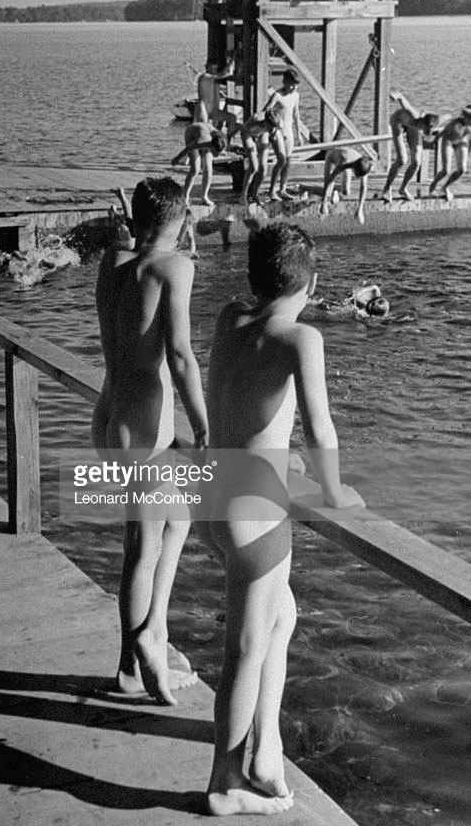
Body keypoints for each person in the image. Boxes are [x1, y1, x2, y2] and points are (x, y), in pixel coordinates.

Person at [197, 223, 364, 815]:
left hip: (212, 494)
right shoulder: (301, 338)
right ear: (314, 283)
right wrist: (336, 491)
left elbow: (244, 407)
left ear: (252, 277)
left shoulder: (227, 320)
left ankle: (265, 752)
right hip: (254, 505)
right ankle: (224, 781)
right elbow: (320, 430)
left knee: (280, 618)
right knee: (244, 648)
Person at [92, 177, 208, 705]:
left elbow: (132, 253)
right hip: (144, 429)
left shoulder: (112, 263)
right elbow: (180, 354)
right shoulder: (174, 267)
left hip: (110, 413)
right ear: (180, 222)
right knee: (141, 551)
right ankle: (130, 666)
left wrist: (145, 231)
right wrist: (205, 427)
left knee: (176, 520)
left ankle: (152, 631)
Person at [383, 95, 438, 202]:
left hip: (413, 128)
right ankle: (386, 188)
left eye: (431, 131)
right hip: (398, 121)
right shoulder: (414, 116)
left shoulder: (430, 124)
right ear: (423, 124)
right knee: (402, 159)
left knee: (417, 161)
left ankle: (403, 188)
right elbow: (402, 100)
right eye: (427, 130)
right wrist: (396, 95)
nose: (429, 133)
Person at [262, 69, 302, 201]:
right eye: (290, 84)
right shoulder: (277, 95)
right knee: (281, 160)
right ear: (285, 82)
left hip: (288, 131)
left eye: (295, 85)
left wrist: (299, 133)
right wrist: (272, 126)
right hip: (278, 131)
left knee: (288, 161)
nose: (292, 88)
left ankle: (282, 188)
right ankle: (271, 190)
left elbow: (296, 113)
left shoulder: (295, 95)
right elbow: (266, 110)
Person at [234, 109, 282, 206]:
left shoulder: (273, 125)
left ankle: (255, 193)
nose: (272, 130)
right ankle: (243, 195)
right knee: (254, 166)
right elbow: (243, 129)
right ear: (266, 122)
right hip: (248, 133)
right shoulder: (256, 119)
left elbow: (275, 130)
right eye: (271, 127)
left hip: (261, 134)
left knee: (263, 169)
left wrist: (272, 135)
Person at [320, 146, 374, 223]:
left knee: (346, 192)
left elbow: (363, 186)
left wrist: (360, 209)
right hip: (331, 157)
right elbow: (330, 179)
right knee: (327, 190)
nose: (357, 177)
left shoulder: (366, 164)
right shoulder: (344, 162)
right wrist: (324, 203)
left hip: (349, 156)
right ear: (354, 168)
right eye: (356, 174)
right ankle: (304, 188)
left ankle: (335, 190)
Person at [428, 107, 471, 202]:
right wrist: (433, 142)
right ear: (466, 118)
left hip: (461, 141)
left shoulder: (469, 126)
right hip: (448, 141)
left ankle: (445, 187)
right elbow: (442, 133)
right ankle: (433, 184)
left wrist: (468, 153)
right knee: (446, 170)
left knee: (462, 169)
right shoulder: (455, 123)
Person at [183, 121, 225, 208]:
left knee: (209, 170)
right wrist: (177, 158)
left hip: (206, 132)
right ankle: (185, 196)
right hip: (191, 133)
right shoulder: (203, 142)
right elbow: (189, 148)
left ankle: (204, 196)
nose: (216, 155)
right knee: (195, 169)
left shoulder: (222, 140)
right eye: (215, 152)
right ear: (211, 146)